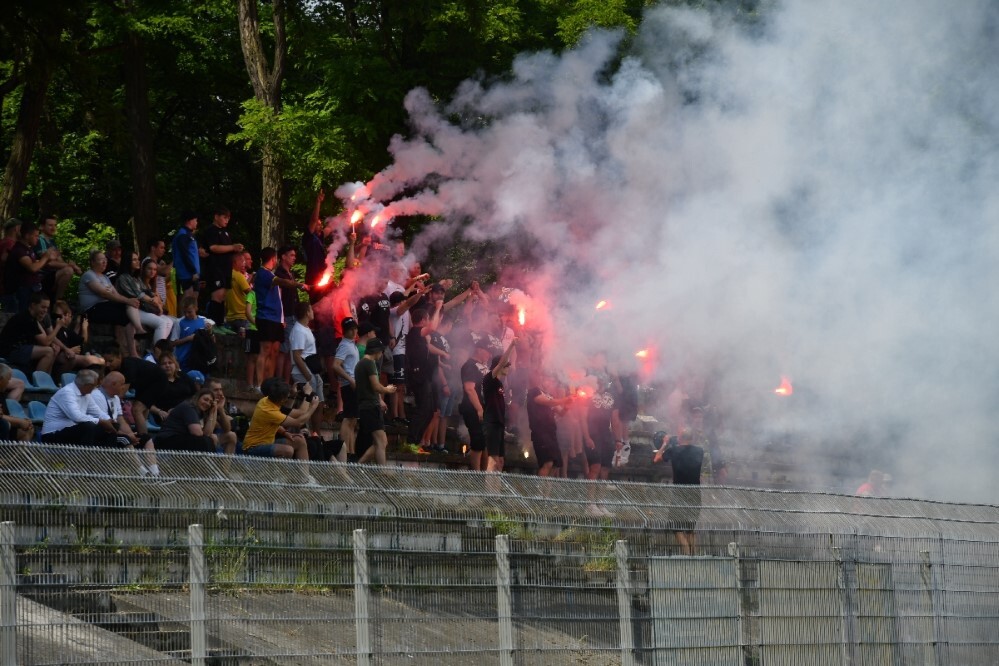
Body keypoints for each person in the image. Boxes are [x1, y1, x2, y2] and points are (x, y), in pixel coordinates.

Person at [242, 378, 322, 485]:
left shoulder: (267, 400)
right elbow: (298, 422)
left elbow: (271, 423)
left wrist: (285, 433)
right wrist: (313, 406)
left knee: (299, 440)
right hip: (253, 447)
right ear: (281, 400)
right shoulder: (269, 411)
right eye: (287, 397)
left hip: (268, 442)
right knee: (288, 450)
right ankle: (276, 479)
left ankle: (305, 479)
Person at [88, 371, 160, 475]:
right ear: (113, 384)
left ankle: (155, 473)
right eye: (122, 384)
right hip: (103, 434)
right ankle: (143, 474)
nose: (124, 387)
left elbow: (120, 419)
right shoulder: (97, 396)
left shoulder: (116, 398)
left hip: (116, 431)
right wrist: (127, 436)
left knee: (146, 438)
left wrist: (131, 434)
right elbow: (106, 423)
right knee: (125, 440)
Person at [253, 247, 308, 382]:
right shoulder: (263, 273)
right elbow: (282, 282)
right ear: (274, 258)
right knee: (265, 350)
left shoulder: (270, 274)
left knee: (275, 351)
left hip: (277, 319)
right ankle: (260, 384)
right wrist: (298, 285)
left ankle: (270, 382)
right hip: (266, 316)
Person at [653, 428, 712, 555]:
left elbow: (656, 458)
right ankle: (694, 558)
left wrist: (665, 443)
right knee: (690, 529)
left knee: (676, 527)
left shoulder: (674, 451)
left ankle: (686, 557)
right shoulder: (699, 451)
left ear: (680, 438)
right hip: (695, 494)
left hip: (679, 494)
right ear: (693, 439)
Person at [78, 250, 145, 357]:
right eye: (101, 260)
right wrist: (127, 300)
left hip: (105, 305)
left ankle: (137, 334)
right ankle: (133, 351)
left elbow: (116, 295)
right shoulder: (89, 275)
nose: (104, 262)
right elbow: (104, 293)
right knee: (126, 309)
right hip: (93, 309)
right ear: (92, 262)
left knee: (128, 309)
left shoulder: (105, 278)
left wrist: (129, 301)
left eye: (105, 260)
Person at [40, 369, 118, 447]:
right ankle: (84, 456)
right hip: (53, 435)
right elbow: (77, 417)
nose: (95, 389)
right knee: (88, 426)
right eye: (94, 386)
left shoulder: (86, 394)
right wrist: (100, 421)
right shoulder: (67, 392)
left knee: (112, 428)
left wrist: (108, 420)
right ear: (88, 385)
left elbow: (97, 411)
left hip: (71, 431)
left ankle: (105, 457)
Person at [115, 251, 174, 344]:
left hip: (139, 308)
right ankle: (158, 351)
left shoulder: (135, 278)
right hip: (129, 309)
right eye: (134, 260)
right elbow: (139, 295)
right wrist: (155, 303)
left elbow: (147, 292)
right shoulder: (124, 277)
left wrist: (155, 298)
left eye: (137, 259)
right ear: (127, 262)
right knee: (162, 323)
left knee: (170, 322)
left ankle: (162, 350)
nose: (138, 261)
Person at [355, 338, 397, 464]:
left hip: (365, 406)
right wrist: (387, 390)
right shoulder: (369, 363)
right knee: (381, 441)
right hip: (370, 406)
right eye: (381, 352)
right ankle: (380, 472)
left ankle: (360, 465)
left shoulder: (360, 364)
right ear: (377, 351)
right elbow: (375, 386)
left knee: (381, 441)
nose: (382, 354)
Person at [201, 206, 243, 328]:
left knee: (223, 296)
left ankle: (220, 324)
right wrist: (232, 247)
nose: (227, 220)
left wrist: (235, 249)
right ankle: (212, 325)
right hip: (215, 267)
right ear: (216, 216)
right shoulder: (211, 231)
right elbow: (213, 248)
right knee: (217, 295)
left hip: (225, 268)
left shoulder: (226, 232)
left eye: (228, 218)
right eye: (224, 217)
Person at [4, 220, 58, 312]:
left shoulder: (27, 249)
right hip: (21, 292)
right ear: (27, 236)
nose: (38, 238)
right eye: (36, 236)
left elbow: (35, 262)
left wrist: (48, 259)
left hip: (30, 290)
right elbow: (32, 268)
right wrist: (45, 257)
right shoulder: (19, 250)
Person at [527, 373, 575, 478]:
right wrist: (564, 400)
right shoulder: (534, 392)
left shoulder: (550, 396)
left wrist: (567, 406)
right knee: (547, 462)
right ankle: (539, 493)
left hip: (551, 433)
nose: (550, 382)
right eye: (548, 378)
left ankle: (546, 493)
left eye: (552, 380)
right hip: (540, 432)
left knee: (555, 464)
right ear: (542, 378)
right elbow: (547, 402)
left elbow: (561, 412)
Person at [482, 339, 518, 473]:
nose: (508, 367)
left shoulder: (500, 384)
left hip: (499, 424)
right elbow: (502, 361)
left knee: (501, 461)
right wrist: (512, 345)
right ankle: (489, 491)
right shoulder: (489, 379)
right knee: (493, 459)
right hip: (491, 423)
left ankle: (496, 490)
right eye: (506, 365)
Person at [0, 292, 56, 374]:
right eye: (43, 307)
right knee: (48, 351)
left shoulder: (32, 318)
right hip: (11, 351)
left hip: (19, 348)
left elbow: (45, 339)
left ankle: (48, 381)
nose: (45, 311)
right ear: (33, 305)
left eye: (47, 308)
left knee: (53, 351)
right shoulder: (26, 319)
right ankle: (39, 382)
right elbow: (46, 342)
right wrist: (58, 326)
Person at [289, 302, 323, 433]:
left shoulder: (306, 328)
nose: (313, 312)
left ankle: (316, 434)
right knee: (307, 403)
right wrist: (308, 376)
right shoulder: (298, 330)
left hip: (313, 372)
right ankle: (302, 431)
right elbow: (297, 356)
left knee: (319, 403)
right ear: (306, 312)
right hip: (303, 373)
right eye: (311, 310)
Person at [459, 340, 493, 471]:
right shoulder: (470, 365)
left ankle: (483, 474)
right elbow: (469, 388)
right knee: (478, 441)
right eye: (487, 351)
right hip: (472, 408)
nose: (489, 355)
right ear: (479, 349)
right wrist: (479, 409)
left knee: (485, 443)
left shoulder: (484, 366)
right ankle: (476, 474)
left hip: (485, 408)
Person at [152, 389, 219, 453]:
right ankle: (209, 463)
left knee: (210, 438)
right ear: (198, 397)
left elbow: (207, 433)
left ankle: (209, 463)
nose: (207, 403)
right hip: (165, 440)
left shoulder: (199, 412)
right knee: (204, 441)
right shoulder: (189, 407)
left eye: (210, 402)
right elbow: (197, 433)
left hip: (178, 439)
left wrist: (212, 412)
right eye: (205, 399)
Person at [331, 317, 360, 462]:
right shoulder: (344, 345)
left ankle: (351, 450)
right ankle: (344, 450)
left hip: (353, 384)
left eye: (355, 328)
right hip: (348, 385)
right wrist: (350, 379)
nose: (354, 331)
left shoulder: (351, 344)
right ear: (345, 330)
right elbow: (336, 365)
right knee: (348, 418)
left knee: (353, 419)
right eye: (351, 329)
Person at [35, 214, 82, 302]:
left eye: (55, 225)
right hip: (42, 278)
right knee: (68, 270)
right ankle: (58, 301)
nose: (53, 228)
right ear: (41, 227)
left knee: (68, 269)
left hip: (53, 276)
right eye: (50, 225)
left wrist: (71, 265)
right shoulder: (40, 240)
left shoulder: (52, 241)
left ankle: (58, 301)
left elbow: (60, 261)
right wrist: (73, 267)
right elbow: (49, 263)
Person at [171, 296, 210, 371]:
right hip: (183, 361)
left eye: (189, 312)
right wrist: (188, 338)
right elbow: (172, 343)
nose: (186, 315)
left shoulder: (204, 321)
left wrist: (210, 332)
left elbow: (211, 341)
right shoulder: (179, 322)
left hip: (200, 361)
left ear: (196, 308)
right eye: (184, 312)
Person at [0, 364, 35, 441]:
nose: (9, 382)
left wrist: (22, 421)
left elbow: (3, 415)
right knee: (5, 425)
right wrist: (19, 422)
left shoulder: (2, 393)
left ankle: (18, 453)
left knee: (27, 429)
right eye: (8, 379)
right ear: (1, 379)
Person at [171, 211, 200, 300]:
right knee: (188, 298)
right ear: (189, 221)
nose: (196, 222)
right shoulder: (183, 235)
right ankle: (184, 314)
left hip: (193, 273)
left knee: (194, 297)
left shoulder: (189, 234)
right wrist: (193, 271)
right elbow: (184, 254)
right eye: (195, 220)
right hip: (187, 273)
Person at [206, 378, 238, 455]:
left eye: (221, 389)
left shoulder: (219, 403)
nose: (220, 393)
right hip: (199, 437)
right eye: (216, 390)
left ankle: (224, 467)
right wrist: (215, 409)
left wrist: (220, 409)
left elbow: (227, 429)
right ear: (207, 391)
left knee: (232, 435)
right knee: (213, 437)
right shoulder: (204, 403)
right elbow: (209, 431)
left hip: (213, 437)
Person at [143, 238, 174, 316]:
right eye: (161, 247)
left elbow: (163, 279)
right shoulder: (148, 261)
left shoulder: (157, 263)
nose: (164, 250)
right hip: (153, 302)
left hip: (159, 303)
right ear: (153, 248)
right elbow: (164, 271)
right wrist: (176, 260)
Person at [225, 251, 252, 335]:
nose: (244, 263)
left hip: (230, 317)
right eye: (241, 261)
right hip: (242, 316)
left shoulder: (226, 275)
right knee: (246, 344)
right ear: (234, 262)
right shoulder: (238, 275)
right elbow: (250, 293)